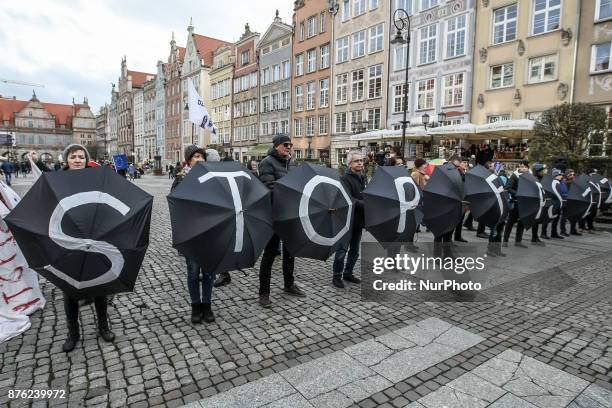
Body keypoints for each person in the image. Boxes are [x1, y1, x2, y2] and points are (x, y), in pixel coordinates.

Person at [60, 143, 115, 352]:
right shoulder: (58, 181)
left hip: (94, 238)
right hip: (67, 240)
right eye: (73, 156)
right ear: (66, 160)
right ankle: (73, 334)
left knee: (100, 286)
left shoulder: (97, 178)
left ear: (86, 159)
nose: (77, 160)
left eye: (80, 157)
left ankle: (103, 327)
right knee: (69, 290)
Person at [257, 134, 305, 307]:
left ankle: (289, 284)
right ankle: (264, 293)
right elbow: (268, 187)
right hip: (274, 215)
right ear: (276, 145)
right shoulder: (267, 162)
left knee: (290, 252)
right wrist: (289, 190)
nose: (288, 146)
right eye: (285, 144)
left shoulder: (291, 162)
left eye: (290, 144)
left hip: (290, 214)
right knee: (269, 255)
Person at [171, 145, 216, 324]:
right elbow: (175, 202)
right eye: (196, 156)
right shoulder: (181, 178)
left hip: (210, 231)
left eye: (202, 156)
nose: (199, 159)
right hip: (191, 232)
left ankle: (207, 305)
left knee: (208, 273)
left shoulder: (212, 178)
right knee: (193, 272)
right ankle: (195, 306)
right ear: (189, 160)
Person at [332, 150, 364, 288]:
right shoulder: (345, 178)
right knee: (342, 249)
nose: (360, 163)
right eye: (357, 161)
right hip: (346, 219)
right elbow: (347, 199)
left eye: (361, 160)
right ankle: (336, 276)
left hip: (359, 218)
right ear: (350, 163)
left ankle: (348, 273)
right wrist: (364, 203)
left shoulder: (362, 176)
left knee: (355, 250)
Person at [503, 160, 529, 248]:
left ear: (528, 168)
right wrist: (517, 193)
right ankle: (505, 241)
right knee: (510, 222)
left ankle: (518, 241)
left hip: (524, 203)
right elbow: (507, 188)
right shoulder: (515, 175)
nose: (523, 168)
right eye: (521, 167)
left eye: (525, 167)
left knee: (522, 222)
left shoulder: (529, 177)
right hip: (516, 202)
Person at [530, 164, 546, 245]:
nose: (545, 171)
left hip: (540, 203)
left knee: (537, 221)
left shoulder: (541, 178)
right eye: (543, 170)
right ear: (538, 171)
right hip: (536, 203)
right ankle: (534, 238)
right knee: (535, 221)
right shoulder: (535, 179)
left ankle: (535, 238)